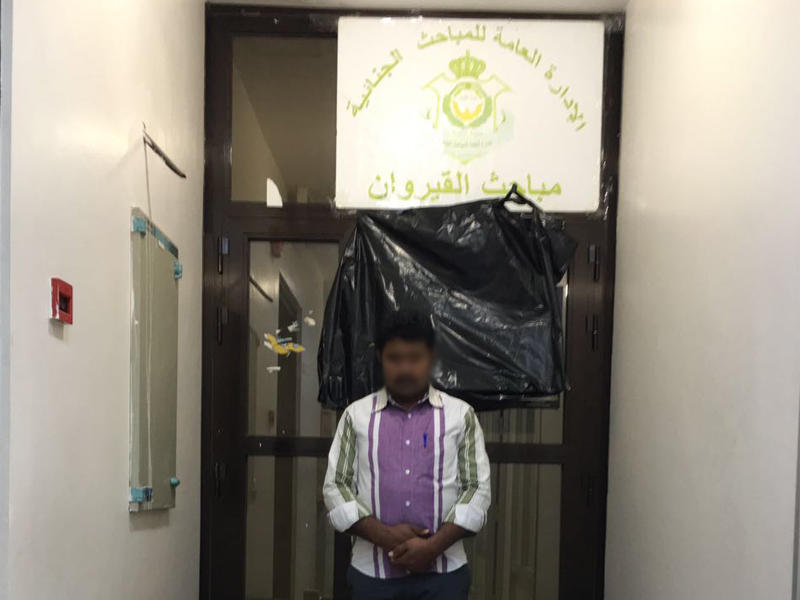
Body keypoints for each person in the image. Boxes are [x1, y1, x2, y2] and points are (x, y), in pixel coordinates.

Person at [322, 309, 491, 600]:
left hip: (444, 579)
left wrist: (432, 547)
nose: (405, 369)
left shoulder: (460, 416)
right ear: (381, 358)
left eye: (415, 358)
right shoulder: (355, 416)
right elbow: (336, 486)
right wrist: (385, 536)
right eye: (395, 358)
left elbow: (477, 489)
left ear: (431, 358)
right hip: (372, 577)